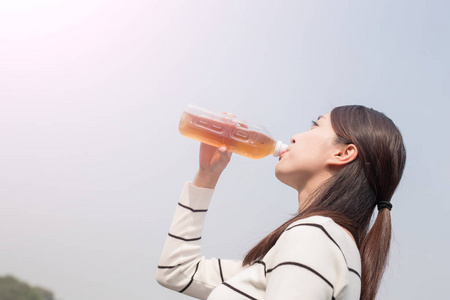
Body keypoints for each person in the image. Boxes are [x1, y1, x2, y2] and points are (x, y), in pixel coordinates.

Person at [156, 105, 406, 300]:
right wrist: (206, 175)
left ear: (342, 153)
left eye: (315, 126)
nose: (295, 137)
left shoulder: (315, 236)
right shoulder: (319, 244)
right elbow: (177, 271)